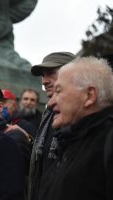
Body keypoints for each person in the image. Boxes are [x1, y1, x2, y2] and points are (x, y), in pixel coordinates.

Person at [44, 56, 113, 200]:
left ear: (89, 95)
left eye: (59, 91)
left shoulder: (107, 144)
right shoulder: (68, 141)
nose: (50, 103)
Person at [28, 51, 76, 200]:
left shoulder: (82, 114)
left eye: (51, 73)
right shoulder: (48, 114)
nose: (44, 81)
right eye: (43, 75)